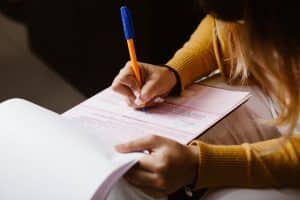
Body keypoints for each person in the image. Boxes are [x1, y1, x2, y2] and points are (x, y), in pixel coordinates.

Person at [108, 0, 300, 199]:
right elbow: (222, 22)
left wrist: (201, 165)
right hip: (263, 87)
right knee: (129, 167)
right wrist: (173, 72)